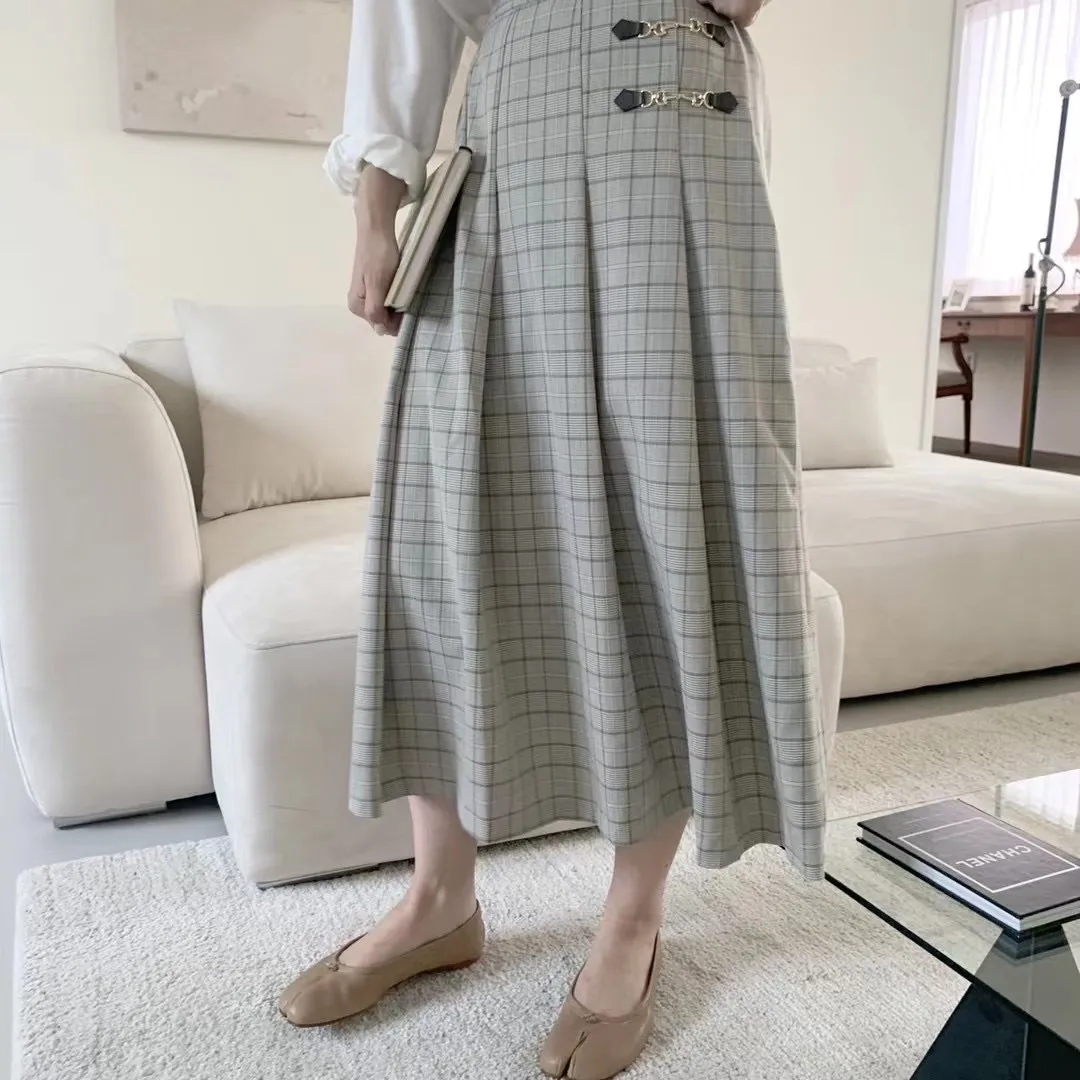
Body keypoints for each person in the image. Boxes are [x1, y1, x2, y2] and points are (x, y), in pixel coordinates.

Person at [279, 0, 826, 1076]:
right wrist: (375, 215)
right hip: (505, 153)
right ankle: (439, 898)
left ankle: (632, 919)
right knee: (452, 526)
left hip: (677, 140)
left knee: (671, 522)